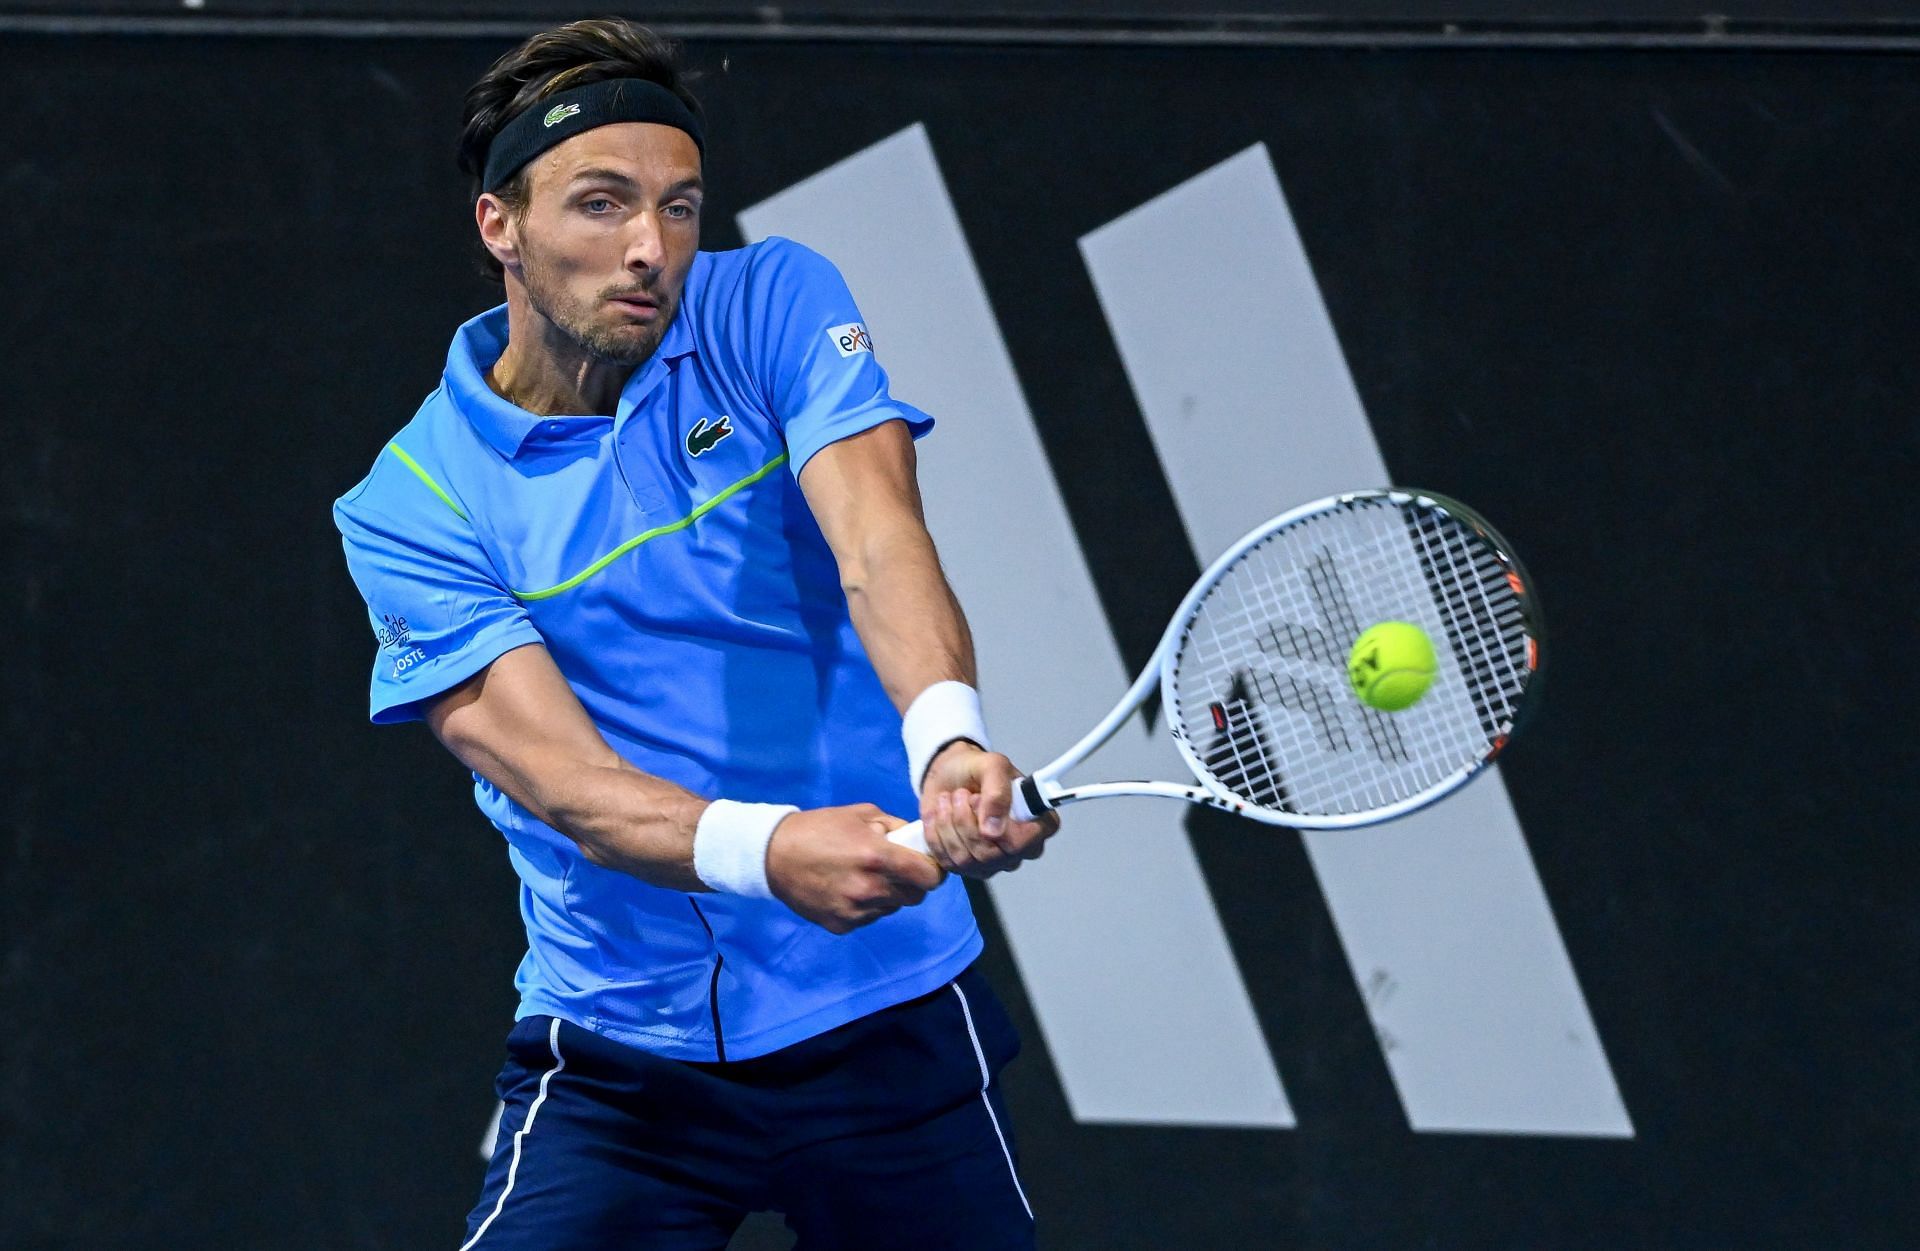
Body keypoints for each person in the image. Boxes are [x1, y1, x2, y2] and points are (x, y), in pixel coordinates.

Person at [332, 17, 1054, 1250]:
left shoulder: (772, 300)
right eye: (600, 205)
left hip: (889, 1020)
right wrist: (772, 853)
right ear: (499, 225)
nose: (649, 250)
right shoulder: (413, 505)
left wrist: (945, 739)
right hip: (627, 1057)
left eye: (679, 208)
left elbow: (877, 539)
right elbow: (573, 789)